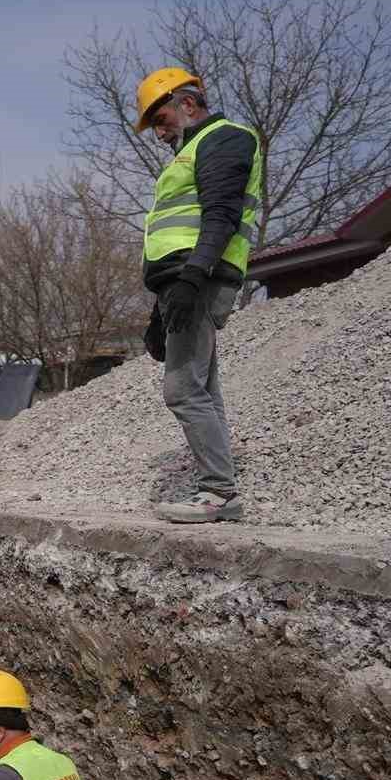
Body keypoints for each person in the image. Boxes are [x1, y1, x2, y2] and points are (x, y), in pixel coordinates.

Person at [134, 67, 264, 524]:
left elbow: (221, 215)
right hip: (187, 279)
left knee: (183, 388)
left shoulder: (225, 139)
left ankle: (218, 492)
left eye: (161, 119)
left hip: (200, 278)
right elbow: (177, 234)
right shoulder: (189, 151)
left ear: (188, 104)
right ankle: (219, 488)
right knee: (204, 387)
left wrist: (192, 278)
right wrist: (161, 306)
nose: (158, 132)